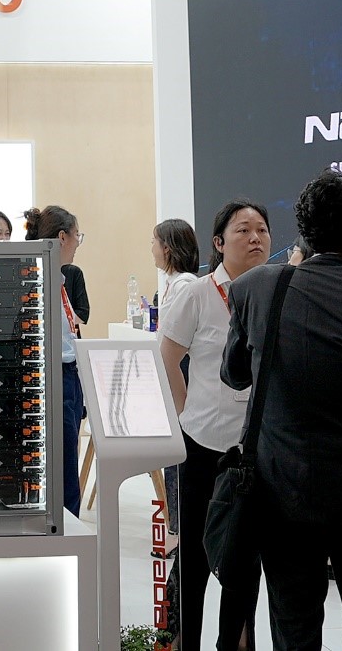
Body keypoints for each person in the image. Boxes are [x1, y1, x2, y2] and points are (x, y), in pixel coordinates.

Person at [222, 171, 342, 650]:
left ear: (303, 230)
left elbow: (235, 375)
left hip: (281, 487)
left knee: (294, 628)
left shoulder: (254, 288)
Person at [158, 199, 270, 651]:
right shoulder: (198, 294)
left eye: (262, 229)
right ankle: (185, 641)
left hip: (255, 452)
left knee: (244, 563)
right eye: (243, 230)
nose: (255, 238)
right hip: (203, 445)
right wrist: (187, 411)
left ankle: (235, 644)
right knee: (195, 558)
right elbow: (168, 358)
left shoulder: (273, 293)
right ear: (219, 242)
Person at [24, 205, 85, 517]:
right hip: (55, 378)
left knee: (67, 460)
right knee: (63, 471)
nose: (77, 244)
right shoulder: (39, 282)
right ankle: (66, 530)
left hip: (69, 376)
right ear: (62, 237)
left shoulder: (59, 280)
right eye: (77, 236)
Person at [150, 218, 200, 559]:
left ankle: (179, 531)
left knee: (178, 455)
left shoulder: (185, 286)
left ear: (167, 247)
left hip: (181, 372)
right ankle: (176, 528)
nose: (151, 249)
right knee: (172, 454)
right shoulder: (171, 284)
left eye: (154, 242)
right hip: (172, 371)